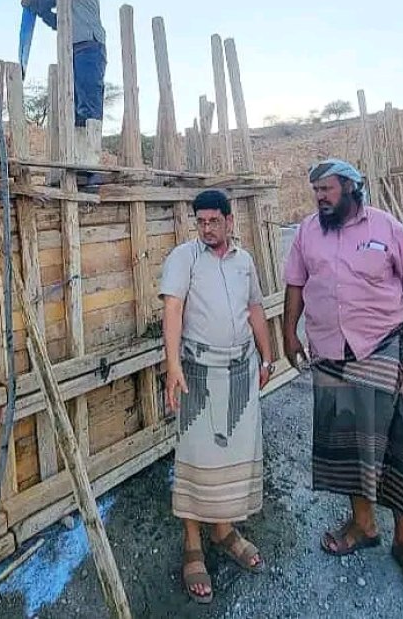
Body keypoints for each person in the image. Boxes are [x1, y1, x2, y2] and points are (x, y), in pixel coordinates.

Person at [282, 159, 403, 598]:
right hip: (330, 352)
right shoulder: (307, 232)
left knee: (398, 443)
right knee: (349, 446)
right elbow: (295, 285)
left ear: (353, 188)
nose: (320, 197)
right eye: (316, 190)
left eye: (328, 189)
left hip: (383, 347)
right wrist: (288, 333)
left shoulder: (387, 227)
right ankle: (363, 524)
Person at [160, 189, 274, 604]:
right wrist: (172, 365)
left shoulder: (244, 261)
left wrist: (267, 355)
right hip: (197, 372)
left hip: (240, 370)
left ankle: (224, 530)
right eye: (200, 221)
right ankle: (193, 543)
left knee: (232, 455)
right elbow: (172, 309)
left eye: (213, 221)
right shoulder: (183, 258)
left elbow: (255, 309)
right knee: (196, 456)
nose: (206, 228)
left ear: (229, 220)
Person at [21, 0, 107, 127]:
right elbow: (58, 23)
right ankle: (78, 150)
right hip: (76, 49)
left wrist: (34, 3)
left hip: (88, 46)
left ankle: (89, 150)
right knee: (77, 110)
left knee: (88, 110)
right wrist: (40, 10)